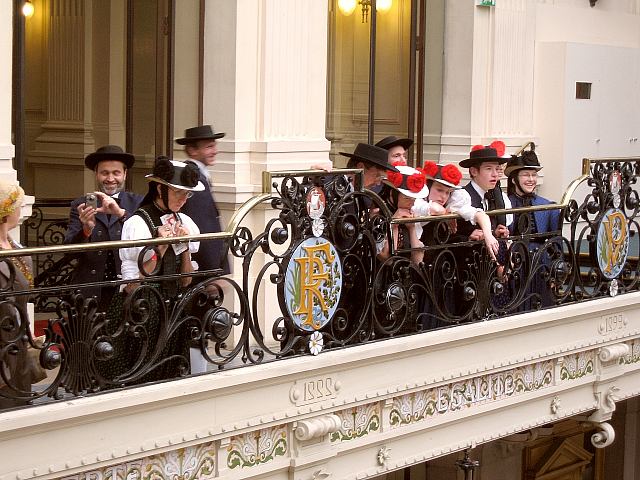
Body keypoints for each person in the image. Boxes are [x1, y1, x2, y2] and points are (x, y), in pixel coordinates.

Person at [101, 157, 203, 384]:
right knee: (140, 374)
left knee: (171, 372)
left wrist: (184, 246)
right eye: (178, 193)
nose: (183, 199)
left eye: (187, 194)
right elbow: (132, 286)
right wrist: (159, 247)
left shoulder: (184, 221)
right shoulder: (137, 223)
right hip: (143, 309)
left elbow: (186, 281)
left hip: (173, 308)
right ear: (160, 188)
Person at [64, 145, 143, 310]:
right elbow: (70, 250)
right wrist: (87, 229)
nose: (110, 178)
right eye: (104, 173)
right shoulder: (80, 204)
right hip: (89, 291)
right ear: (96, 174)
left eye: (116, 173)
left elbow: (149, 241)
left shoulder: (137, 203)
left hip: (126, 289)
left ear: (125, 174)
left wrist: (121, 214)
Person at [0, 182, 42, 407]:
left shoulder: (17, 248)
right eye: (18, 205)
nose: (21, 210)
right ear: (7, 212)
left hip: (18, 346)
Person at [505, 143, 562, 310]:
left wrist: (555, 275)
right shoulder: (506, 204)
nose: (531, 179)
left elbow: (556, 243)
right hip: (516, 267)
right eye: (525, 175)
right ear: (514, 178)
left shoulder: (548, 206)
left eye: (534, 174)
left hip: (542, 268)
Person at [412, 161, 499, 259]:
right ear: (427, 187)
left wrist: (488, 235)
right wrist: (446, 214)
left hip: (439, 262)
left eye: (448, 192)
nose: (443, 196)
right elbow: (435, 209)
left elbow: (480, 214)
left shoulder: (453, 203)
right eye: (439, 190)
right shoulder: (417, 202)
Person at [176, 125, 229, 274]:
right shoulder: (193, 177)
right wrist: (213, 269)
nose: (215, 151)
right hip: (202, 266)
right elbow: (203, 225)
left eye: (214, 146)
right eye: (209, 147)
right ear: (192, 150)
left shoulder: (198, 174)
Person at [377, 163, 428, 266]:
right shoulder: (378, 214)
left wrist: (412, 228)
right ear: (392, 195)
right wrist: (394, 225)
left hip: (406, 276)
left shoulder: (411, 212)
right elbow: (386, 258)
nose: (411, 203)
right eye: (407, 198)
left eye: (414, 199)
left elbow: (418, 261)